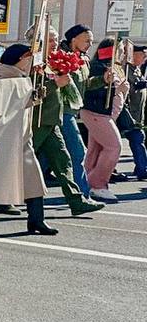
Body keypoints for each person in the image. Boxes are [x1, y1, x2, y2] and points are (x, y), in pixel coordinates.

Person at [27, 30, 103, 220]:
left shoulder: (54, 61)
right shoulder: (30, 61)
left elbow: (79, 84)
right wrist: (56, 85)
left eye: (54, 39)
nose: (54, 43)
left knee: (64, 161)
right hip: (36, 122)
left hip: (53, 120)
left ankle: (76, 201)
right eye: (50, 40)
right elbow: (29, 91)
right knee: (19, 165)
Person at [0, 43, 61, 234]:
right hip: (7, 141)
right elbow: (9, 104)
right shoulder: (4, 76)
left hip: (23, 139)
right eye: (29, 57)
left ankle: (37, 220)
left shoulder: (21, 76)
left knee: (34, 182)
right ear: (21, 59)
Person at [81, 38, 129, 202]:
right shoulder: (98, 67)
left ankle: (85, 182)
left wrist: (121, 90)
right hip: (97, 113)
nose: (123, 53)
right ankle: (98, 183)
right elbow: (91, 90)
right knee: (113, 147)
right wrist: (117, 87)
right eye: (121, 49)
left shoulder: (114, 68)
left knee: (96, 149)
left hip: (104, 114)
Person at [57, 24, 92, 195]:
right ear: (74, 39)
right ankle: (82, 194)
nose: (90, 44)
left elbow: (85, 84)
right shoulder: (59, 56)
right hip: (61, 111)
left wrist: (103, 80)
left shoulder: (83, 60)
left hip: (72, 111)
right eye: (86, 40)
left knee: (46, 158)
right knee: (78, 152)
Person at [125, 44, 147, 181]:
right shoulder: (127, 69)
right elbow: (128, 88)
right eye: (142, 55)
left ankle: (141, 167)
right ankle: (142, 169)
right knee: (138, 139)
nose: (145, 58)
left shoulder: (137, 70)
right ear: (133, 54)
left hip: (138, 115)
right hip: (129, 114)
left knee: (138, 140)